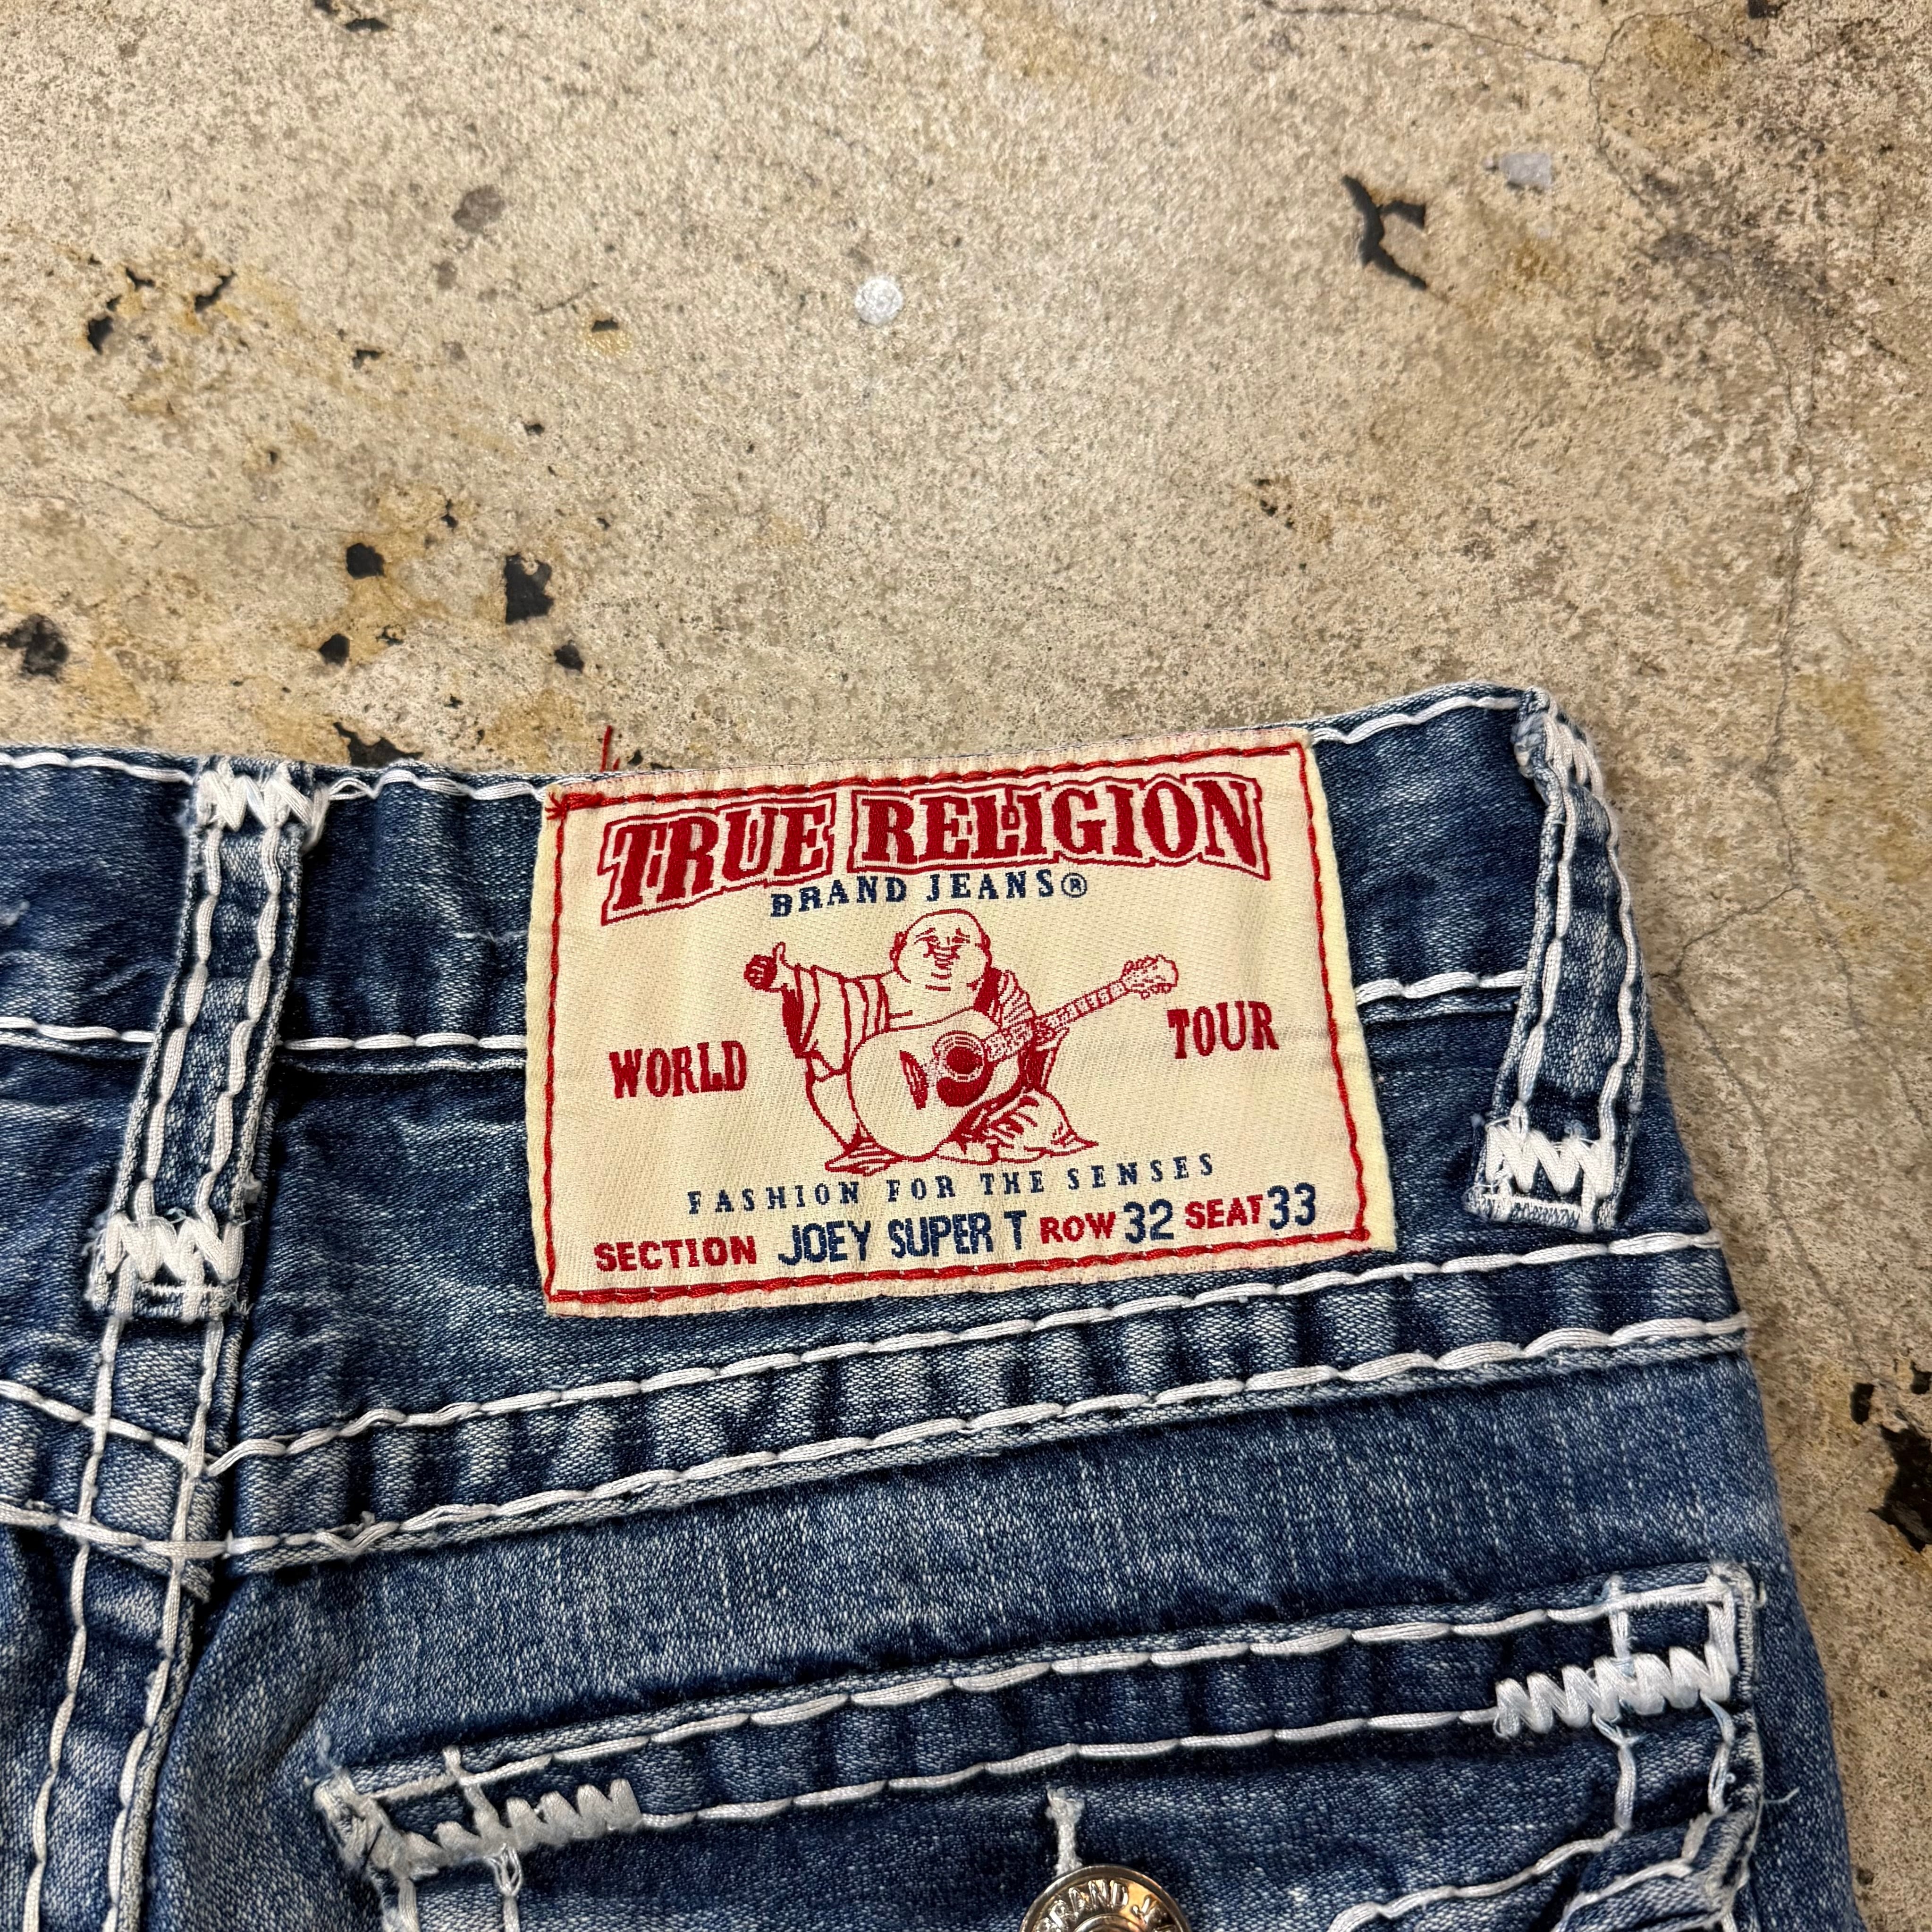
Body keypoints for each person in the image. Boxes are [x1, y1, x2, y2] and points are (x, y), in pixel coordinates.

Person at [743, 911, 1093, 1172]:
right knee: (835, 1083)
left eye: (960, 943)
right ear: (898, 950)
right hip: (877, 1104)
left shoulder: (998, 991)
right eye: (929, 940)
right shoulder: (873, 994)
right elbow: (831, 1001)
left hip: (976, 1111)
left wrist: (1040, 1045)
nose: (944, 952)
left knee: (1044, 1120)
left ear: (984, 955)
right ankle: (883, 1143)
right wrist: (784, 978)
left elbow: (1019, 1057)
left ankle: (941, 1143)